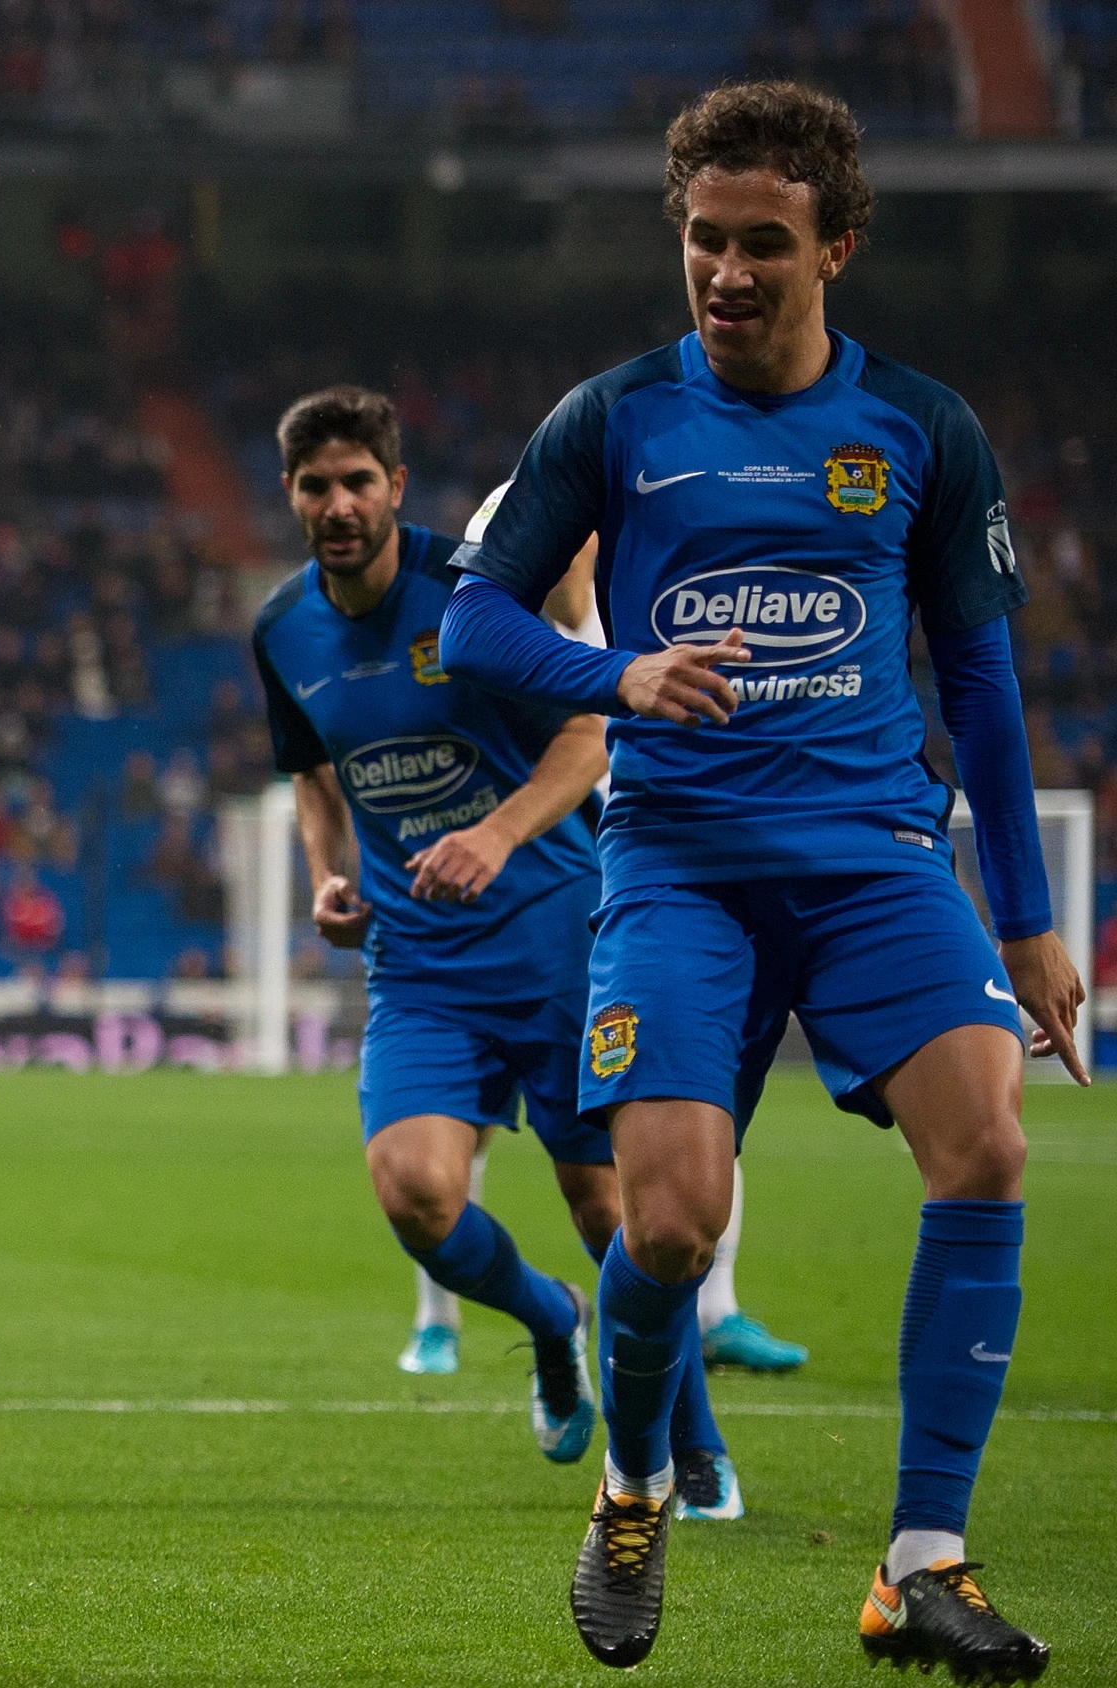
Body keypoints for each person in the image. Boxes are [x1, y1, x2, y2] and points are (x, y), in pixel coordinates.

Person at [439, 83, 1075, 1680]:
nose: (726, 272)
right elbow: (472, 628)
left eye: (765, 245)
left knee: (988, 1142)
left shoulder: (919, 429)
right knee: (667, 1231)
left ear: (836, 248)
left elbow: (984, 687)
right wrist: (621, 678)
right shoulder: (610, 420)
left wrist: (1031, 913)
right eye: (705, 241)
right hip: (681, 873)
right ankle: (637, 1484)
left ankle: (923, 1561)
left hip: (875, 864)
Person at [251, 388, 744, 1510]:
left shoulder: (468, 595)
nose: (338, 503)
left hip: (551, 940)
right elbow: (312, 773)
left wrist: (497, 829)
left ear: (394, 484)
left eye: (356, 480)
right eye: (315, 485)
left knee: (613, 1213)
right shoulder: (282, 627)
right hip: (420, 966)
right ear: (290, 495)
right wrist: (328, 870)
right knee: (415, 1193)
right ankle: (550, 1320)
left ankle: (693, 1441)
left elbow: (586, 730)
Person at [395, 517, 810, 1380]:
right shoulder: (505, 645)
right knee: (454, 1133)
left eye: (574, 534)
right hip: (520, 915)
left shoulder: (646, 624)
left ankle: (715, 1307)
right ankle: (437, 1320)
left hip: (641, 908)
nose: (562, 549)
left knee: (693, 1107)